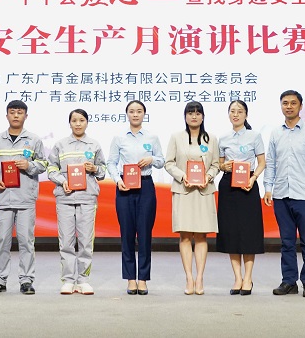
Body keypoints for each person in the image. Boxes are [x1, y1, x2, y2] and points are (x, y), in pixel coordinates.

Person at [263, 90, 305, 298]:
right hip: (281, 194)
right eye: (285, 103)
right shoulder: (276, 133)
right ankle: (289, 281)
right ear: (281, 106)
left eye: (293, 103)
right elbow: (271, 163)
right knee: (287, 242)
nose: (289, 106)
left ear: (300, 106)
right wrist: (268, 188)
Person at [0, 99, 47, 295]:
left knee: (26, 241)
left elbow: (43, 164)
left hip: (25, 198)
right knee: (1, 240)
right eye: (12, 112)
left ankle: (26, 280)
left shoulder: (34, 140)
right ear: (7, 115)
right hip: (2, 197)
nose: (16, 115)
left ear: (26, 116)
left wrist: (29, 165)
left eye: (20, 112)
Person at [106, 100, 165, 295]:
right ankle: (131, 279)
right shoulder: (119, 138)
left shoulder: (152, 137)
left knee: (145, 234)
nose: (135, 114)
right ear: (127, 114)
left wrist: (151, 159)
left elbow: (161, 161)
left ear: (144, 114)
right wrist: (117, 180)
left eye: (139, 111)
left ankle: (143, 279)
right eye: (132, 111)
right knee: (127, 234)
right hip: (125, 187)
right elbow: (111, 162)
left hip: (146, 186)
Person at [47, 108, 107, 295]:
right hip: (65, 198)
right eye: (74, 120)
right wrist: (62, 181)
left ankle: (83, 280)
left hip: (87, 198)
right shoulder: (60, 145)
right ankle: (67, 280)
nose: (78, 124)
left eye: (81, 120)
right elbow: (51, 168)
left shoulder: (94, 145)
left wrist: (94, 168)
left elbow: (103, 171)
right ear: (70, 123)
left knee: (86, 242)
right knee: (66, 241)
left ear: (87, 122)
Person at [164, 101, 220, 295]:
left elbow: (216, 164)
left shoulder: (211, 138)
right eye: (190, 113)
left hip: (204, 191)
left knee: (202, 235)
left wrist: (208, 177)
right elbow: (169, 163)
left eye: (197, 113)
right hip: (183, 190)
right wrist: (183, 176)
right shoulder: (176, 137)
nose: (194, 116)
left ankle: (200, 277)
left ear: (203, 117)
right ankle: (189, 277)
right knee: (185, 235)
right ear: (185, 116)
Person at [214, 100, 266, 296]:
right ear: (228, 114)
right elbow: (219, 164)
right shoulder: (223, 138)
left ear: (246, 115)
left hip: (248, 185)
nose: (235, 114)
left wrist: (253, 178)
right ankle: (237, 278)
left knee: (249, 232)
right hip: (228, 185)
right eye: (232, 111)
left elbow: (262, 162)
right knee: (231, 232)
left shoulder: (254, 135)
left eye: (240, 111)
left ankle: (248, 278)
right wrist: (223, 166)